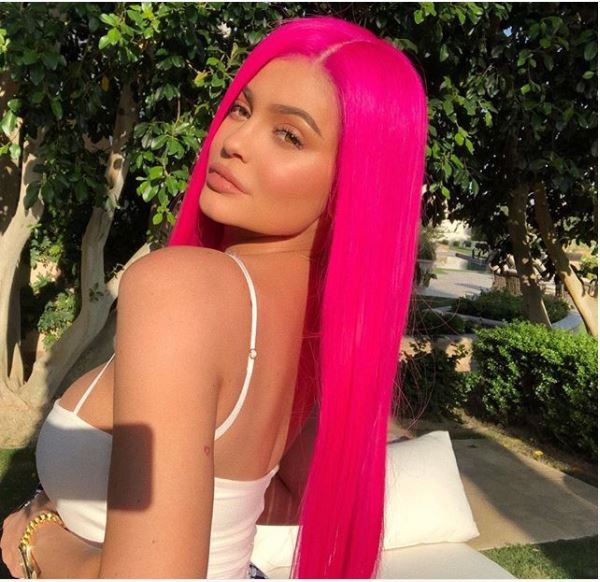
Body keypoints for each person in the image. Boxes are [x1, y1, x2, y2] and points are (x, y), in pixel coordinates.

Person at [1, 14, 427, 579]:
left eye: (289, 135)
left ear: (350, 186)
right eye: (242, 110)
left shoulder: (184, 288)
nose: (233, 142)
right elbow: (287, 495)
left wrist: (34, 538)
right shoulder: (311, 328)